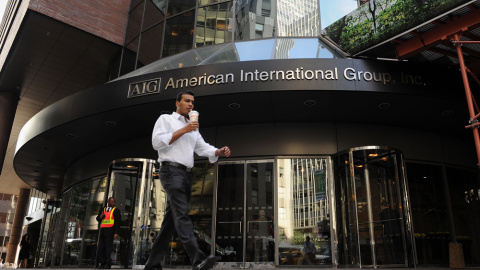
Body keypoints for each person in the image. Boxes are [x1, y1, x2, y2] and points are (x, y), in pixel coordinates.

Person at [146, 90, 231, 270]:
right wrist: (184, 129)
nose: (190, 104)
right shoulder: (165, 120)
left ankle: (152, 265)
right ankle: (197, 259)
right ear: (177, 103)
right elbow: (156, 143)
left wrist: (218, 152)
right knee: (182, 214)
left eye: (192, 102)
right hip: (170, 171)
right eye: (187, 101)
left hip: (186, 175)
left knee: (170, 223)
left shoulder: (193, 127)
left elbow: (202, 148)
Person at [96, 197, 121, 269]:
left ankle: (107, 264)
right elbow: (98, 219)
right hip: (102, 231)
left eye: (114, 202)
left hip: (110, 232)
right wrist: (100, 217)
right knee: (101, 248)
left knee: (108, 249)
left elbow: (118, 222)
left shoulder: (116, 210)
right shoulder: (103, 209)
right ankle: (102, 263)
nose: (113, 203)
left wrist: (116, 233)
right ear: (108, 202)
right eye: (112, 202)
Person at [379, 198, 403, 264]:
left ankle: (392, 261)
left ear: (382, 206)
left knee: (390, 249)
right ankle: (400, 261)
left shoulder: (382, 214)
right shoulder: (395, 212)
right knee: (398, 247)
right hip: (397, 232)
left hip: (388, 233)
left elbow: (382, 222)